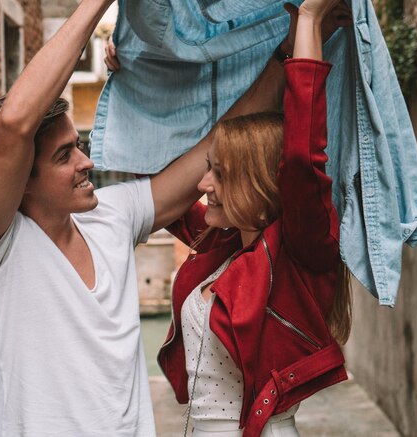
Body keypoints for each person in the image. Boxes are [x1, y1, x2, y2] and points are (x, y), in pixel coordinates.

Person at [0, 0, 298, 434]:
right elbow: (14, 124)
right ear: (21, 182)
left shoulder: (112, 215)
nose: (85, 162)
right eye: (63, 156)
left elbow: (219, 139)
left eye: (78, 145)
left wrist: (290, 47)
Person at [157, 0, 353, 436]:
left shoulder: (299, 256)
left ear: (259, 185)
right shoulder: (222, 245)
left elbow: (303, 157)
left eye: (220, 173)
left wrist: (309, 20)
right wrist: (133, 70)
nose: (203, 184)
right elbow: (158, 185)